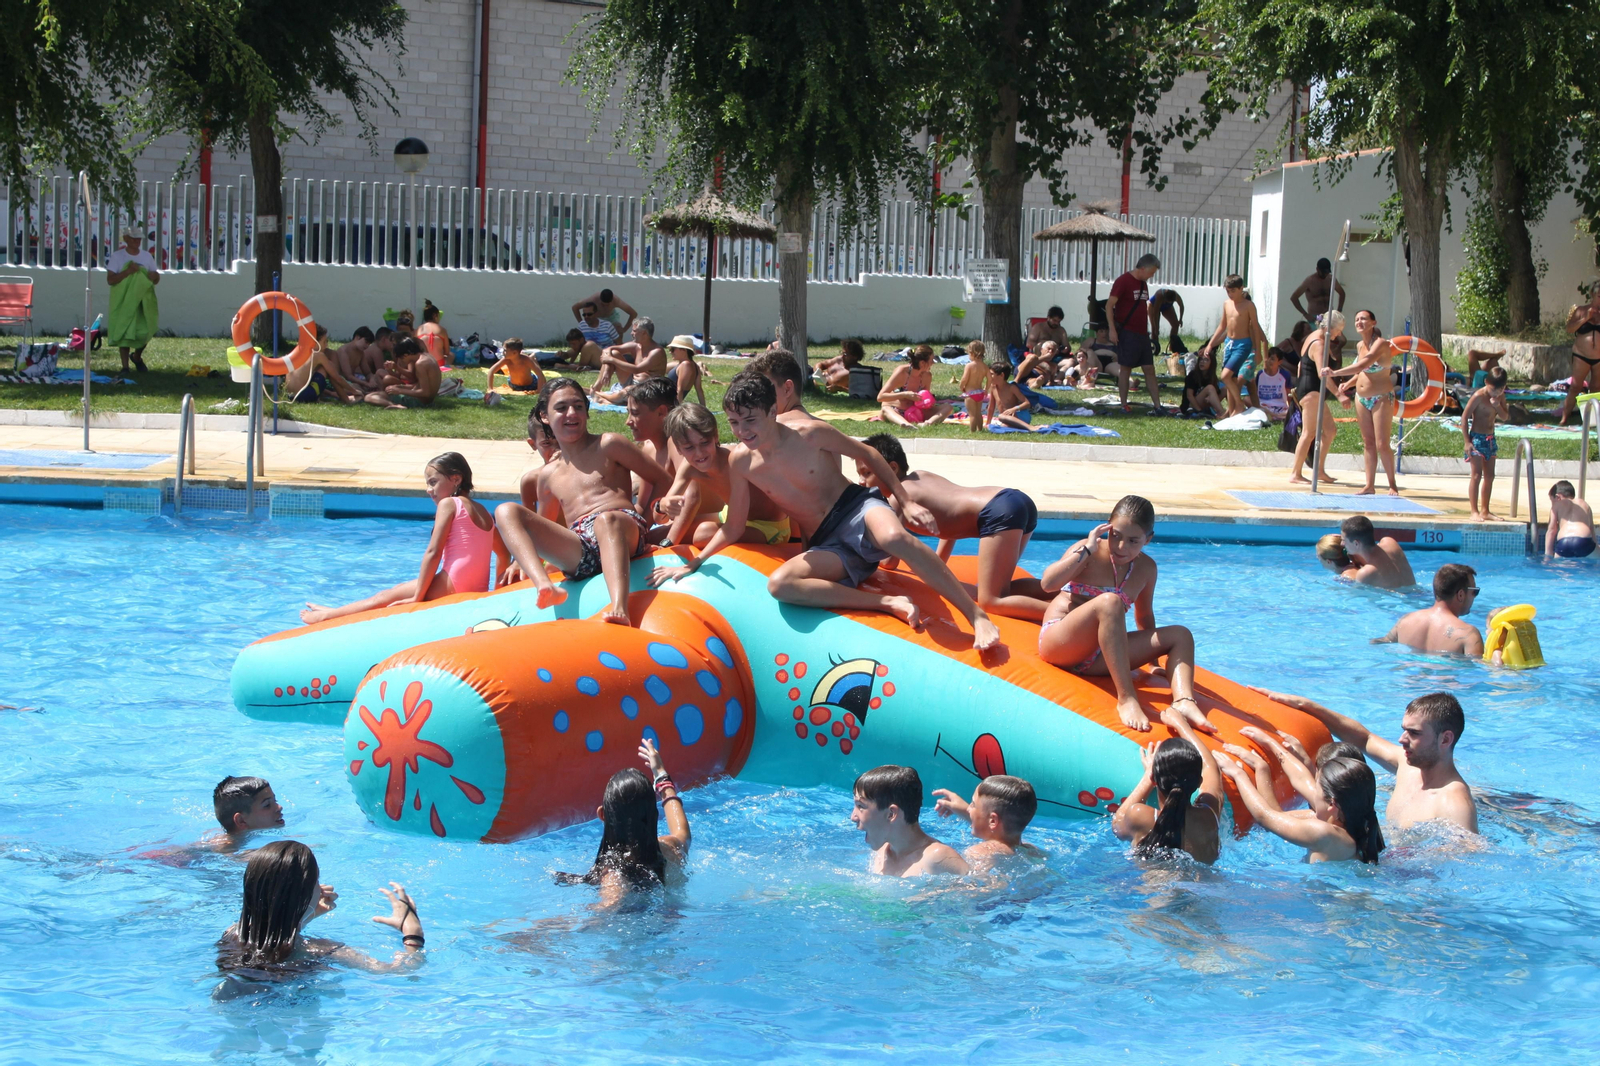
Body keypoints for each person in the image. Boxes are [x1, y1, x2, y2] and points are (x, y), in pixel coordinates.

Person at [650, 374, 1002, 651]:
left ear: (773, 411)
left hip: (856, 508)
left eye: (750, 420)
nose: (742, 432)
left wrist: (905, 501)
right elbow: (734, 526)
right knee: (780, 584)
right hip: (826, 542)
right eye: (734, 423)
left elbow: (868, 455)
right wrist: (694, 562)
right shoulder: (742, 463)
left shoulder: (809, 434)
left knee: (895, 536)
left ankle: (975, 615)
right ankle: (884, 601)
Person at [495, 379, 672, 625]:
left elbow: (662, 480)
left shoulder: (609, 444)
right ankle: (545, 586)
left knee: (606, 520)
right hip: (580, 547)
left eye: (578, 406)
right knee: (505, 510)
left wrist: (644, 518)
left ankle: (620, 608)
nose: (572, 414)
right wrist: (520, 558)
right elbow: (545, 524)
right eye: (561, 408)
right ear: (545, 416)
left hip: (621, 528)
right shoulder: (547, 475)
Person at [1037, 495, 1211, 734]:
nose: (1121, 547)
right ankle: (1126, 698)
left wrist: (1153, 664)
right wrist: (1087, 549)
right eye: (1115, 535)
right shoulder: (1088, 551)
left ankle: (1184, 701)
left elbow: (1145, 616)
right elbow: (1047, 584)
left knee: (1181, 634)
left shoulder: (1146, 569)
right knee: (1110, 602)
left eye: (1132, 540)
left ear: (1148, 540)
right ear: (1106, 527)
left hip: (1102, 657)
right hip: (1061, 644)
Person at [859, 432, 1052, 620]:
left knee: (991, 601)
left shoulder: (898, 499)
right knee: (1000, 589)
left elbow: (890, 562)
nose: (861, 481)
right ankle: (1074, 592)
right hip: (1015, 500)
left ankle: (1064, 617)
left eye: (866, 473)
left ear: (892, 468)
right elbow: (949, 520)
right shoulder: (921, 476)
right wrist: (938, 567)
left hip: (997, 511)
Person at [301, 453, 502, 624]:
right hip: (477, 588)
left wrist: (417, 597)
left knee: (385, 596)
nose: (428, 489)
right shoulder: (484, 511)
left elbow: (433, 552)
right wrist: (497, 591)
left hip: (454, 585)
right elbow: (504, 553)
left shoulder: (449, 504)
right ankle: (334, 612)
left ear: (456, 479)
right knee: (397, 589)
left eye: (433, 482)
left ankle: (327, 617)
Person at [1247, 687, 1478, 833]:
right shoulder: (1407, 766)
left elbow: (1463, 864)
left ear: (1445, 739)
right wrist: (1307, 706)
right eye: (1404, 730)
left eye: (1414, 733)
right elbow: (1364, 739)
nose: (1401, 739)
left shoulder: (1454, 803)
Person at [216, 840, 424, 977]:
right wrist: (412, 931)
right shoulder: (321, 950)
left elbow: (273, 934)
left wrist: (306, 914)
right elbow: (399, 971)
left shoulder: (231, 933)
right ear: (305, 896)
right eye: (317, 882)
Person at [555, 738, 689, 902]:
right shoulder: (671, 849)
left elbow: (602, 914)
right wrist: (660, 774)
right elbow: (681, 830)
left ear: (602, 815)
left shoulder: (614, 875)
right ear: (654, 814)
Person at [658, 403, 791, 547]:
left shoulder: (735, 460)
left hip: (768, 528)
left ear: (715, 436)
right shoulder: (689, 467)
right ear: (678, 449)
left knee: (703, 534)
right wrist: (661, 506)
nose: (699, 453)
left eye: (704, 443)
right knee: (657, 535)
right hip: (730, 516)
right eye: (689, 447)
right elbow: (660, 517)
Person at [1216, 752, 1385, 863]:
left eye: (1315, 789)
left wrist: (1238, 775)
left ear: (1332, 804)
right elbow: (1277, 816)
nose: (1312, 793)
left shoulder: (1324, 833)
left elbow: (1264, 817)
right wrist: (1262, 767)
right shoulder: (1366, 826)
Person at [1111, 708, 1222, 863]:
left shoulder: (1140, 815)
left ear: (1154, 779)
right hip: (1204, 884)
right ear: (1199, 781)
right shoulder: (1210, 815)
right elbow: (1211, 766)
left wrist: (1147, 778)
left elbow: (1117, 825)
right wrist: (1181, 724)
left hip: (1149, 886)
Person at [1327, 309, 1399, 496]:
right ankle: (1369, 485)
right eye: (1356, 319)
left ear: (1373, 323)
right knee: (1368, 442)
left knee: (1382, 443)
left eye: (1363, 319)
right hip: (1361, 398)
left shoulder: (1380, 344)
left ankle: (1392, 485)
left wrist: (1334, 373)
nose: (1359, 322)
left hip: (1381, 397)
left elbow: (1361, 365)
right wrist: (1348, 384)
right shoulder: (1360, 345)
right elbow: (1362, 372)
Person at [850, 765, 968, 876]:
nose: (853, 817)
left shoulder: (937, 858)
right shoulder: (880, 851)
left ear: (891, 814)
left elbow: (981, 892)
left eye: (860, 806)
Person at [932, 774, 1043, 871]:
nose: (968, 808)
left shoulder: (979, 853)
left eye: (973, 804)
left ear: (993, 821)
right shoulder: (1032, 850)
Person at [1373, 562, 1484, 656]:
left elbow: (1379, 642)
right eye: (1474, 591)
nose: (1474, 596)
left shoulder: (1405, 621)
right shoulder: (1468, 635)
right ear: (1460, 595)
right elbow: (1476, 674)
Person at [1289, 311, 1345, 485]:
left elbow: (1300, 364)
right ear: (1328, 328)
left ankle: (1319, 470)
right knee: (1309, 433)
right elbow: (1323, 375)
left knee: (1330, 430)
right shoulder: (1319, 344)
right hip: (1311, 390)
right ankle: (1295, 473)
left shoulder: (1312, 336)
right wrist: (1339, 395)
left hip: (1310, 389)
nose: (1339, 335)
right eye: (1337, 330)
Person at [1107, 253, 1166, 414]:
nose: (1152, 276)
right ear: (1142, 268)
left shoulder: (1143, 284)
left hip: (1142, 334)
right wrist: (1112, 329)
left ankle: (1157, 406)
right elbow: (1109, 305)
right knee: (1125, 369)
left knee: (1149, 368)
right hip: (1127, 333)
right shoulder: (1123, 281)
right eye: (1151, 272)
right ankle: (1123, 404)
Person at [1199, 275, 1264, 417]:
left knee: (1225, 376)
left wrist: (1258, 352)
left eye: (1233, 291)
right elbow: (1222, 325)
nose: (1230, 294)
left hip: (1243, 344)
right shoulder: (1226, 304)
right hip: (1229, 343)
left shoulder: (1249, 306)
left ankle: (1239, 405)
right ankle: (1233, 412)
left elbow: (1256, 330)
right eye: (1228, 291)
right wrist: (1210, 344)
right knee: (1231, 379)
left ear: (1241, 289)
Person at [105, 226, 160, 375]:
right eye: (133, 238)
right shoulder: (118, 257)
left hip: (143, 300)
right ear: (126, 239)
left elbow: (156, 278)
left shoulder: (147, 256)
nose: (137, 241)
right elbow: (111, 280)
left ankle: (136, 356)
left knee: (145, 330)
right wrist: (128, 271)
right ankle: (125, 367)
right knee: (125, 332)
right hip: (124, 300)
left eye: (139, 239)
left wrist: (154, 276)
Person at [1461, 366, 1509, 521]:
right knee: (1476, 475)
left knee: (1490, 476)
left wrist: (1497, 406)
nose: (1497, 393)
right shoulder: (1478, 396)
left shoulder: (1500, 397)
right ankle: (1473, 511)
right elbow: (1464, 417)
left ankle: (1485, 511)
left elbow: (1505, 417)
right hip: (1476, 439)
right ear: (1487, 382)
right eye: (1494, 389)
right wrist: (1467, 441)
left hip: (1490, 439)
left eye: (1501, 389)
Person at [623, 376, 678, 510]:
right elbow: (643, 505)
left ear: (661, 412)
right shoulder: (649, 449)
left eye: (635, 413)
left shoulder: (679, 449)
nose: (628, 421)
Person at [286, 325, 364, 405]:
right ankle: (346, 399)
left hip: (290, 396)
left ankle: (319, 399)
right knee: (328, 367)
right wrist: (354, 391)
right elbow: (337, 378)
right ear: (315, 342)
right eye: (324, 342)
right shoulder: (318, 355)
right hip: (303, 396)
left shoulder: (296, 352)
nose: (326, 345)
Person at [592, 317, 667, 400]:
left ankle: (602, 395)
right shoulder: (636, 345)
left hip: (648, 387)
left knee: (626, 392)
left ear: (644, 333)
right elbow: (607, 350)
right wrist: (607, 368)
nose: (631, 333)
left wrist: (612, 360)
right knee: (613, 353)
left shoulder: (656, 351)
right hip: (631, 380)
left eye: (634, 331)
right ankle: (596, 389)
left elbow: (637, 369)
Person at [878, 344, 952, 427]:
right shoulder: (902, 372)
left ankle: (927, 424)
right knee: (885, 409)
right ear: (922, 363)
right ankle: (905, 424)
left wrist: (928, 401)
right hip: (897, 411)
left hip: (916, 412)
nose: (933, 363)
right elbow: (880, 397)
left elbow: (926, 399)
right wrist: (905, 394)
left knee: (948, 407)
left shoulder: (927, 376)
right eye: (931, 360)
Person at [210, 776, 285, 854]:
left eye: (275, 800)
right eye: (267, 805)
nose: (279, 807)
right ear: (241, 821)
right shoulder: (230, 854)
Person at [745, 349, 820, 425]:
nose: (753, 398)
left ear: (787, 388)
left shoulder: (769, 427)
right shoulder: (827, 430)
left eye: (761, 389)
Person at [1338, 515, 1415, 588]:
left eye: (1343, 540)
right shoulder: (1390, 542)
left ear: (1356, 543)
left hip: (1403, 601)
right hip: (1421, 593)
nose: (1342, 544)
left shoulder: (1365, 574)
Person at [1559, 288, 1600, 424]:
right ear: (1593, 295)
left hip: (1599, 357)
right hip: (1581, 355)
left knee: (1596, 387)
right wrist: (1586, 318)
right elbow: (1570, 329)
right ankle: (1564, 418)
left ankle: (1592, 421)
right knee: (1575, 386)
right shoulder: (1581, 310)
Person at [370, 337, 442, 409]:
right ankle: (393, 403)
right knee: (384, 392)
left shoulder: (420, 364)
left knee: (369, 397)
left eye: (401, 359)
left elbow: (425, 393)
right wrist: (399, 387)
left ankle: (394, 405)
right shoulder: (427, 357)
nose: (401, 361)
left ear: (405, 355)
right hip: (427, 401)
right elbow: (421, 386)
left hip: (418, 402)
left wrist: (400, 390)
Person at [985, 359, 1043, 432]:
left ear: (1001, 375)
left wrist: (1014, 409)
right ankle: (1025, 427)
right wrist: (988, 423)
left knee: (1001, 416)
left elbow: (1027, 403)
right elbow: (991, 407)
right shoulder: (993, 388)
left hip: (1020, 415)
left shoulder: (1011, 388)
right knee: (1004, 425)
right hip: (1007, 419)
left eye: (992, 374)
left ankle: (1030, 427)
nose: (989, 376)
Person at [1546, 480, 1597, 557]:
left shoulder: (1556, 505)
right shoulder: (1584, 504)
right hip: (1584, 541)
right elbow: (1591, 529)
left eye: (1551, 500)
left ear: (1557, 497)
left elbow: (1551, 531)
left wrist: (1548, 555)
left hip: (1564, 542)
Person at [1289, 257, 1347, 323]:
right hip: (1315, 317)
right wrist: (1305, 314)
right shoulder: (1310, 281)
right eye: (1323, 272)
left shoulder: (1331, 279)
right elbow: (1294, 297)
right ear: (1317, 269)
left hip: (1328, 317)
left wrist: (1339, 310)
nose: (1325, 275)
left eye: (1326, 272)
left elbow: (1342, 293)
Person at [571, 287, 638, 341]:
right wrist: (582, 323)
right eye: (603, 304)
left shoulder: (616, 300)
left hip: (611, 317)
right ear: (600, 299)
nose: (605, 307)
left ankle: (618, 351)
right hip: (597, 318)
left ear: (612, 300)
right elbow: (575, 307)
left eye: (607, 305)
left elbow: (633, 313)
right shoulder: (594, 299)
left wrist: (624, 329)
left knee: (618, 330)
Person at [1254, 346, 1294, 422]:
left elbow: (1289, 394)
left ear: (1279, 362)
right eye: (1268, 357)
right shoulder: (1260, 374)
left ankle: (1273, 415)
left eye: (1272, 359)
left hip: (1279, 408)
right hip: (1263, 406)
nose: (1269, 361)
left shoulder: (1285, 375)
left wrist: (1290, 409)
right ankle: (1272, 415)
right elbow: (1255, 393)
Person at [1180, 349, 1225, 418]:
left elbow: (1216, 393)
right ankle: (1222, 413)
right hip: (1191, 405)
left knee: (1226, 389)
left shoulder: (1212, 376)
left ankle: (1234, 410)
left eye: (1206, 360)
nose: (1202, 362)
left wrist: (1209, 398)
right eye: (1201, 359)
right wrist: (1200, 411)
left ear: (1212, 363)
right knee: (1210, 388)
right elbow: (1189, 395)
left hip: (1205, 403)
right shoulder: (1193, 375)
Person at [957, 340, 989, 433]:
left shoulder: (969, 366)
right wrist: (986, 389)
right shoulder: (985, 366)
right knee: (978, 413)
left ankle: (972, 431)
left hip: (970, 394)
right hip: (980, 392)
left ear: (971, 353)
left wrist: (961, 386)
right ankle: (980, 429)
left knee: (972, 415)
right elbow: (989, 379)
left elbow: (964, 379)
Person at [664, 334, 706, 406]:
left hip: (667, 402)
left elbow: (679, 390)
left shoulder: (685, 365)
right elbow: (699, 390)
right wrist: (704, 408)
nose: (670, 352)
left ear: (683, 350)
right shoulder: (695, 366)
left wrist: (677, 410)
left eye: (673, 349)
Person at [1149, 288, 1185, 354]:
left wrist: (1180, 319)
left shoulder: (1176, 295)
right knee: (1154, 329)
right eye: (1167, 301)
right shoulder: (1159, 295)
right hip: (1153, 307)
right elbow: (1156, 313)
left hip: (1167, 307)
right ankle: (1155, 348)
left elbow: (1181, 306)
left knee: (1175, 325)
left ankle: (1172, 346)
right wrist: (1156, 327)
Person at [417, 299, 451, 367]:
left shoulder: (418, 330)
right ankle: (445, 366)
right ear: (435, 316)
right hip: (438, 363)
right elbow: (447, 352)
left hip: (422, 363)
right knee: (452, 355)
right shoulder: (442, 329)